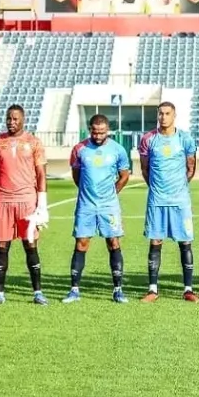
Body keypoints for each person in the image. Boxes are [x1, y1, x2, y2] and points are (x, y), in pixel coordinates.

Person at [0, 105, 50, 307]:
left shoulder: (34, 143)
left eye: (15, 119)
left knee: (30, 245)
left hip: (27, 200)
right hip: (3, 200)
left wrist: (42, 205)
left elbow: (41, 174)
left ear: (23, 119)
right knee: (2, 246)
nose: (11, 122)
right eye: (9, 119)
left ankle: (37, 292)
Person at [64, 114, 131, 304]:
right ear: (90, 130)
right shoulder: (80, 149)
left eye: (102, 132)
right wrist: (87, 192)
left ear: (107, 130)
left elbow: (124, 175)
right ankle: (74, 289)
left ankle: (118, 289)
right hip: (86, 205)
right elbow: (77, 175)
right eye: (95, 131)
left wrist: (113, 192)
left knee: (113, 242)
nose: (98, 135)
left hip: (109, 206)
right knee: (81, 243)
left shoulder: (118, 150)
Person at [138, 102, 199, 302]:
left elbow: (191, 168)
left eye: (167, 113)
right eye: (161, 114)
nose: (163, 117)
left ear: (174, 115)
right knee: (155, 241)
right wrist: (157, 187)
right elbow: (145, 169)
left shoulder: (185, 139)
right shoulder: (148, 139)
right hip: (157, 200)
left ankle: (188, 289)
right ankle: (152, 289)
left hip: (180, 200)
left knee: (185, 242)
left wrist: (178, 187)